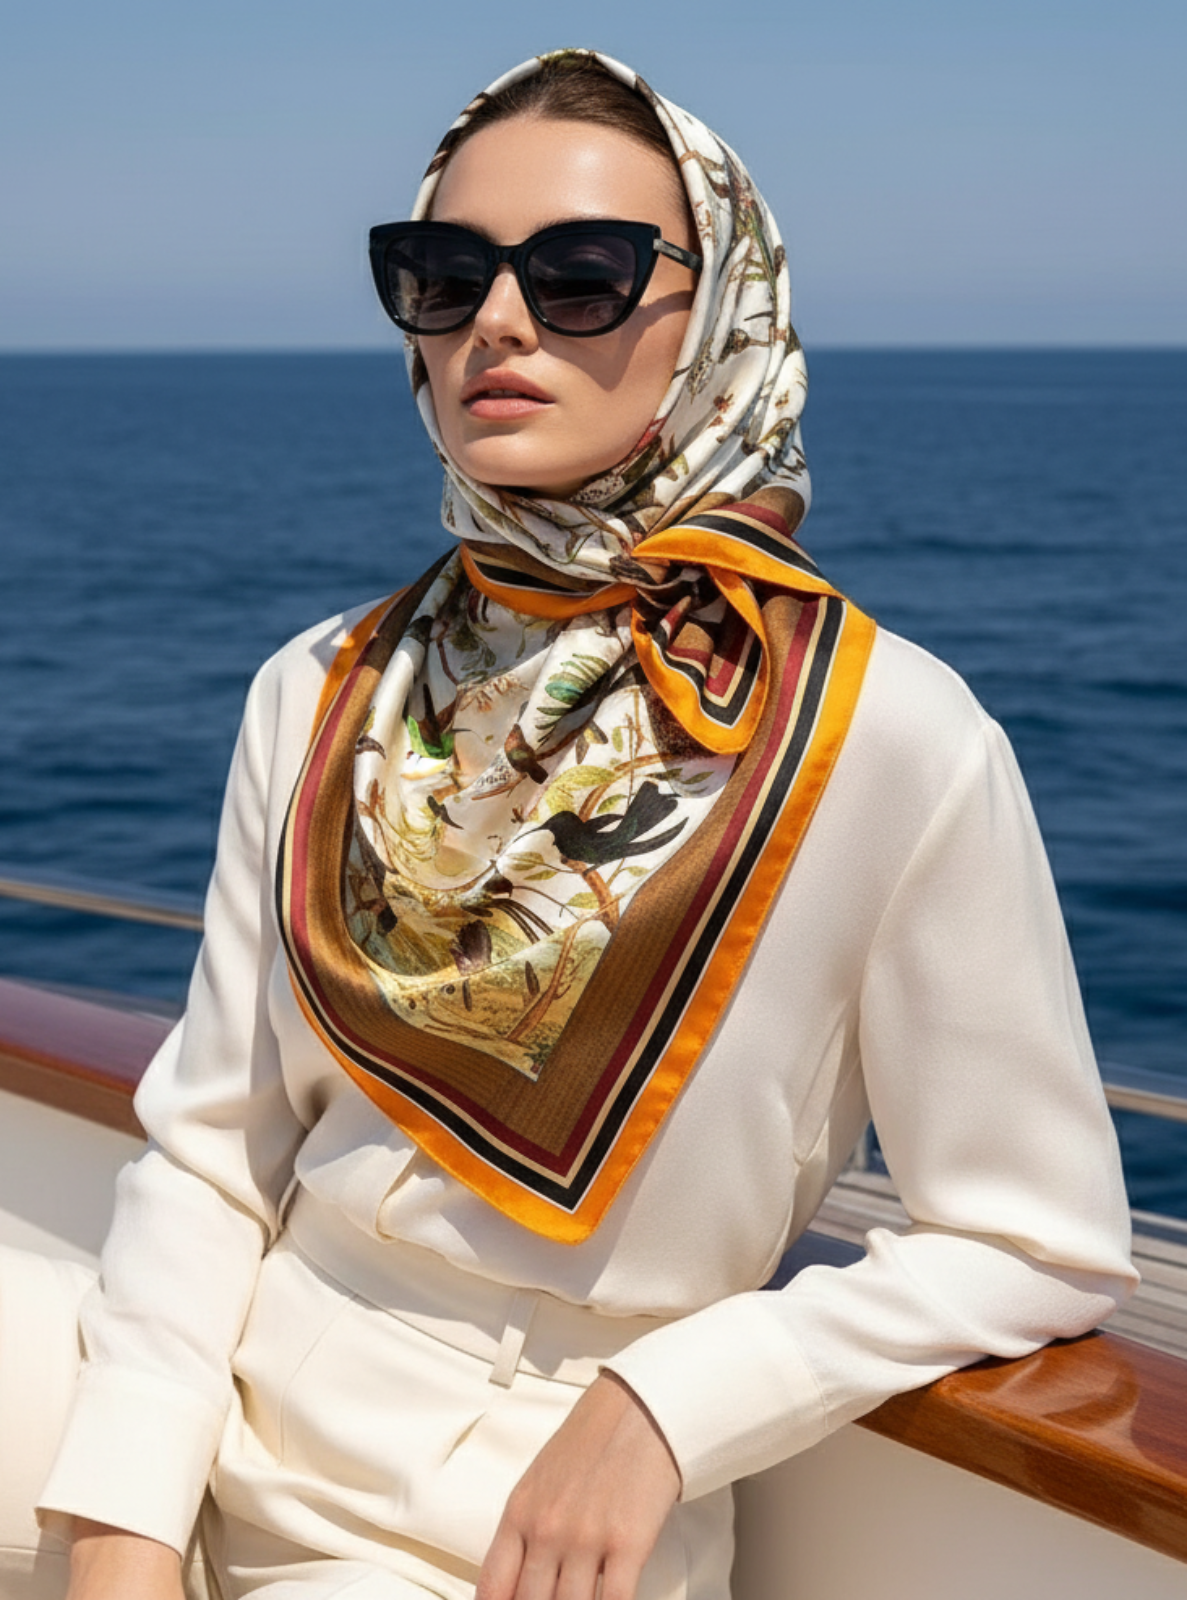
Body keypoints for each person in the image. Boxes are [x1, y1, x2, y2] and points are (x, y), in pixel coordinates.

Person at [1, 47, 1135, 1600]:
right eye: (443, 272)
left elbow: (1034, 1239)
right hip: (233, 1377)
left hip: (508, 1504)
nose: (498, 321)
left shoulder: (887, 736)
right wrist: (122, 1526)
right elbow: (214, 1157)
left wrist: (672, 1401)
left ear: (718, 316)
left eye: (581, 275)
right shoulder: (323, 684)